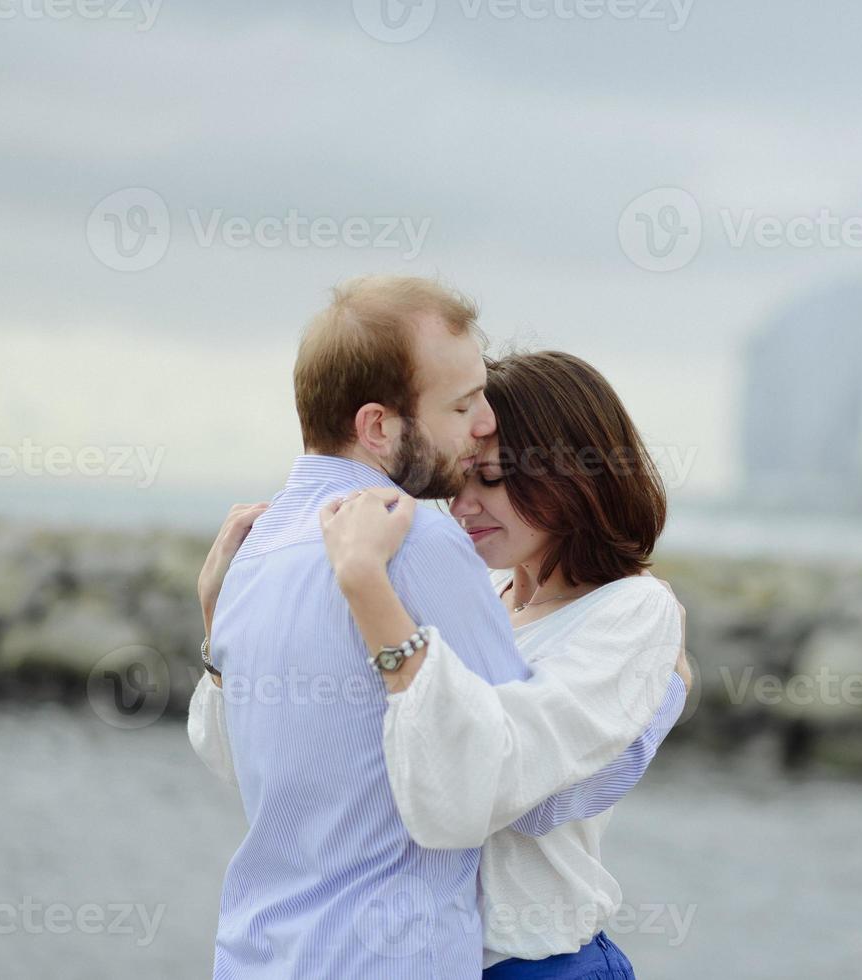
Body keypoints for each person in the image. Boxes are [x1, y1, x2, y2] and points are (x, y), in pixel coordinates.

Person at [187, 276, 686, 979]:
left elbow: (519, 798)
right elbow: (285, 758)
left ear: (574, 476)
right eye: (464, 477)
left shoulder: (629, 608)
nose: (466, 504)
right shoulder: (469, 584)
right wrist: (221, 631)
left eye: (495, 478)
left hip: (539, 962)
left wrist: (659, 703)